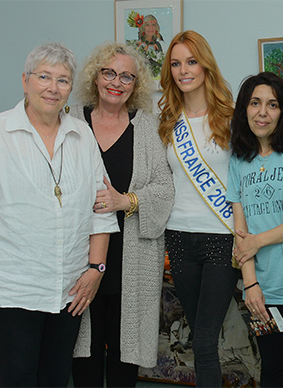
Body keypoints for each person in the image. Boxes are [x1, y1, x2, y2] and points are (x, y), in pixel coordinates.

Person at [0, 42, 118, 387]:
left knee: (54, 379)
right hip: (12, 293)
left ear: (71, 88)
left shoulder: (82, 135)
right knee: (16, 380)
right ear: (25, 81)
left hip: (68, 293)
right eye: (44, 77)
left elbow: (101, 207)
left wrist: (96, 269)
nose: (53, 88)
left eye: (63, 80)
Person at [68, 42, 174, 387]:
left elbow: (164, 188)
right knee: (83, 355)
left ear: (136, 83)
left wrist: (124, 201)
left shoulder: (147, 128)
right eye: (109, 72)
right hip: (78, 263)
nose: (117, 82)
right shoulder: (71, 123)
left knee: (124, 361)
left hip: (133, 264)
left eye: (126, 76)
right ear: (95, 76)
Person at [158, 30, 239, 387]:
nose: (183, 70)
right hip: (178, 237)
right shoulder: (165, 121)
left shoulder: (232, 118)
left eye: (191, 61)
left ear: (206, 66)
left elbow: (246, 181)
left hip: (222, 237)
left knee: (205, 339)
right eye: (175, 63)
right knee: (199, 338)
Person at [226, 72, 283, 387]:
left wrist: (258, 241)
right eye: (255, 103)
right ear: (244, 109)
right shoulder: (238, 159)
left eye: (272, 104)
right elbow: (240, 230)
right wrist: (250, 286)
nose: (262, 112)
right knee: (272, 366)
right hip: (263, 290)